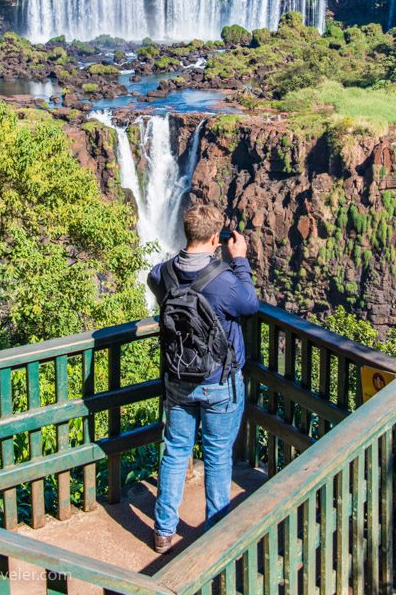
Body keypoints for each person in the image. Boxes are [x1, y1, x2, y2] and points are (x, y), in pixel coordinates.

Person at [147, 204, 259, 554]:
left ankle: (163, 530)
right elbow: (250, 304)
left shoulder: (160, 274)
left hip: (178, 379)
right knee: (217, 454)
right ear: (216, 238)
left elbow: (160, 283)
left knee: (176, 452)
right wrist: (238, 259)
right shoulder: (225, 281)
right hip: (219, 382)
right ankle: (215, 533)